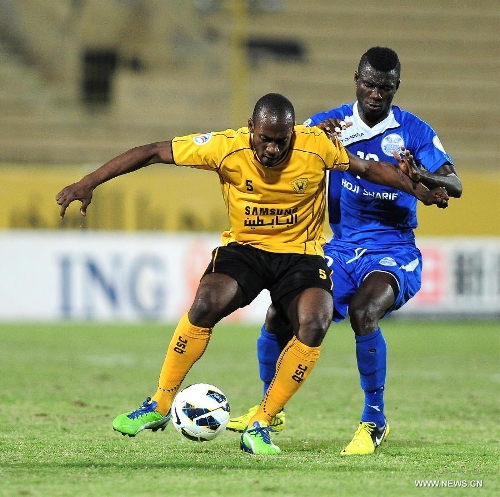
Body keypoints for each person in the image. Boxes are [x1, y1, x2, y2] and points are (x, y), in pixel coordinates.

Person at [56, 92, 448, 456]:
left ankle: (262, 421)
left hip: (300, 255)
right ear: (251, 129)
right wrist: (89, 182)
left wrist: (421, 191)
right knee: (207, 301)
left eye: (281, 140)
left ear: (293, 133)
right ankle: (158, 403)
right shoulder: (227, 146)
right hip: (245, 249)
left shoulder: (316, 144)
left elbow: (370, 169)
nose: (273, 149)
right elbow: (153, 152)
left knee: (316, 320)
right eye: (265, 139)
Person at [227, 48, 462, 455]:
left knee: (363, 312)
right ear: (356, 79)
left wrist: (418, 174)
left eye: (385, 88)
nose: (375, 93)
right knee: (279, 313)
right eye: (369, 84)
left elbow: (453, 184)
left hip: (393, 249)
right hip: (339, 247)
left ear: (396, 88)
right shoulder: (327, 125)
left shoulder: (414, 131)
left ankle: (374, 421)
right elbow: (285, 155)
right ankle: (270, 410)